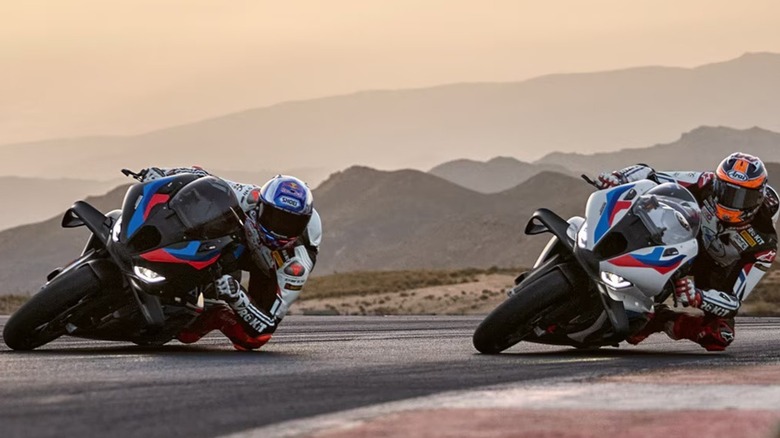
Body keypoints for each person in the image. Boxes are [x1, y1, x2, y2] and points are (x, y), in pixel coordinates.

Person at [595, 152, 778, 351]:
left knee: (719, 336)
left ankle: (658, 319)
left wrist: (699, 297)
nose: (731, 201)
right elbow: (652, 175)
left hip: (717, 273)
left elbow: (733, 301)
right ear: (717, 182)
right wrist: (621, 178)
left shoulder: (764, 244)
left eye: (742, 196)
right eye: (726, 190)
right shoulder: (705, 181)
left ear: (757, 198)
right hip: (683, 240)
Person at [139, 166, 322, 350]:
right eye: (274, 217)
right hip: (243, 238)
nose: (279, 228)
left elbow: (267, 324)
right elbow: (205, 179)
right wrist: (163, 175)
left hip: (268, 267)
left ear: (302, 226)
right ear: (261, 205)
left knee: (252, 339)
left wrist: (238, 297)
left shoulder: (296, 265)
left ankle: (214, 312)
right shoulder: (251, 196)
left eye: (290, 224)